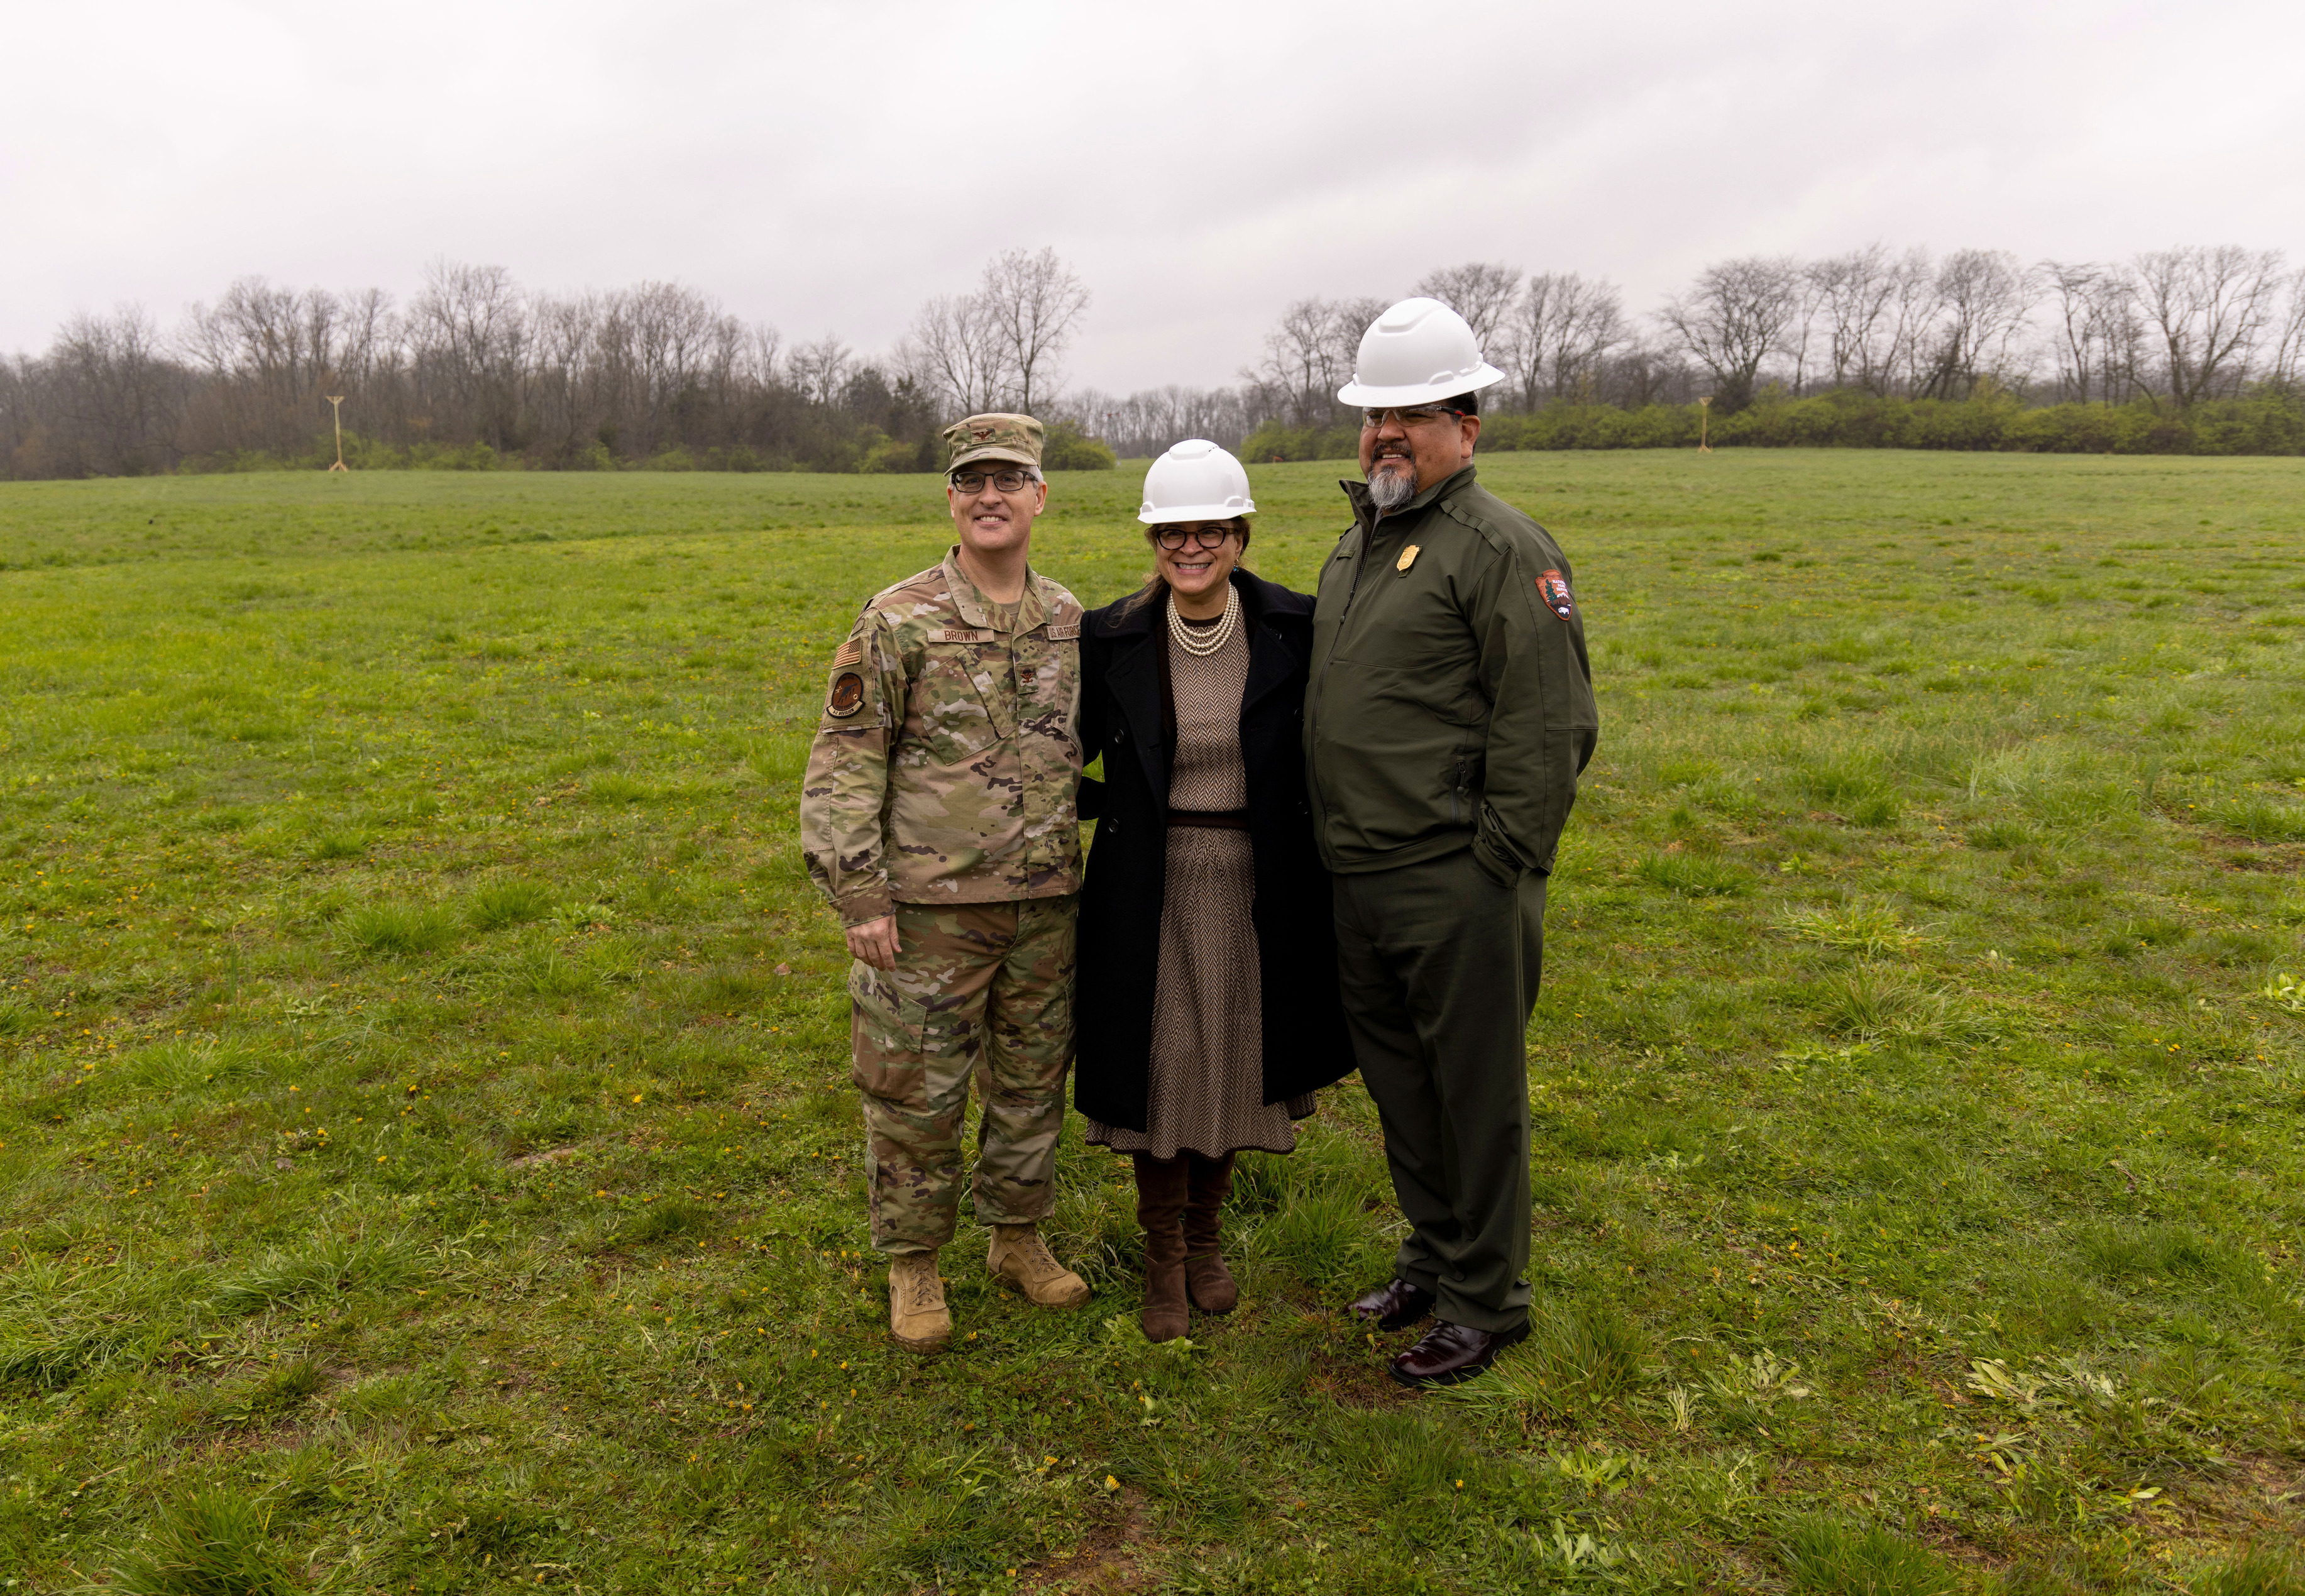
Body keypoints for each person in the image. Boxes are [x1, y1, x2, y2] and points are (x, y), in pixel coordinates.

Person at [1304, 299, 1600, 1387]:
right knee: (1404, 1088)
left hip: (1455, 881)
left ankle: (1490, 1298)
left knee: (1475, 1095)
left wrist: (1499, 867)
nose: (1389, 434)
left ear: (1467, 428)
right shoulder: (1361, 543)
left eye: (1415, 416)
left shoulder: (1499, 547)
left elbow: (1551, 721)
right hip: (1361, 877)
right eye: (1375, 415)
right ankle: (1433, 1257)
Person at [799, 412, 1094, 1355]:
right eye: (972, 482)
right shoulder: (899, 618)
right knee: (915, 1090)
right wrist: (861, 895)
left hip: (1045, 905)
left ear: (1040, 497)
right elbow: (848, 762)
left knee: (1032, 1080)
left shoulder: (1069, 621)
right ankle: (915, 1261)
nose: (990, 496)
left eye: (1009, 480)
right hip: (927, 913)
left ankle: (1017, 1237)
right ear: (952, 501)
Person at [1074, 441, 1356, 1341]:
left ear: (1239, 535)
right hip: (1148, 888)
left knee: (1232, 1062)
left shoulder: (1295, 629)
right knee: (1162, 1070)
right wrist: (1102, 808)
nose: (1188, 547)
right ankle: (1161, 1255)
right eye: (1171, 532)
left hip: (1254, 885)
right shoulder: (1111, 634)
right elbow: (1054, 753)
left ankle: (1206, 1240)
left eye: (1208, 531)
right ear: (1152, 539)